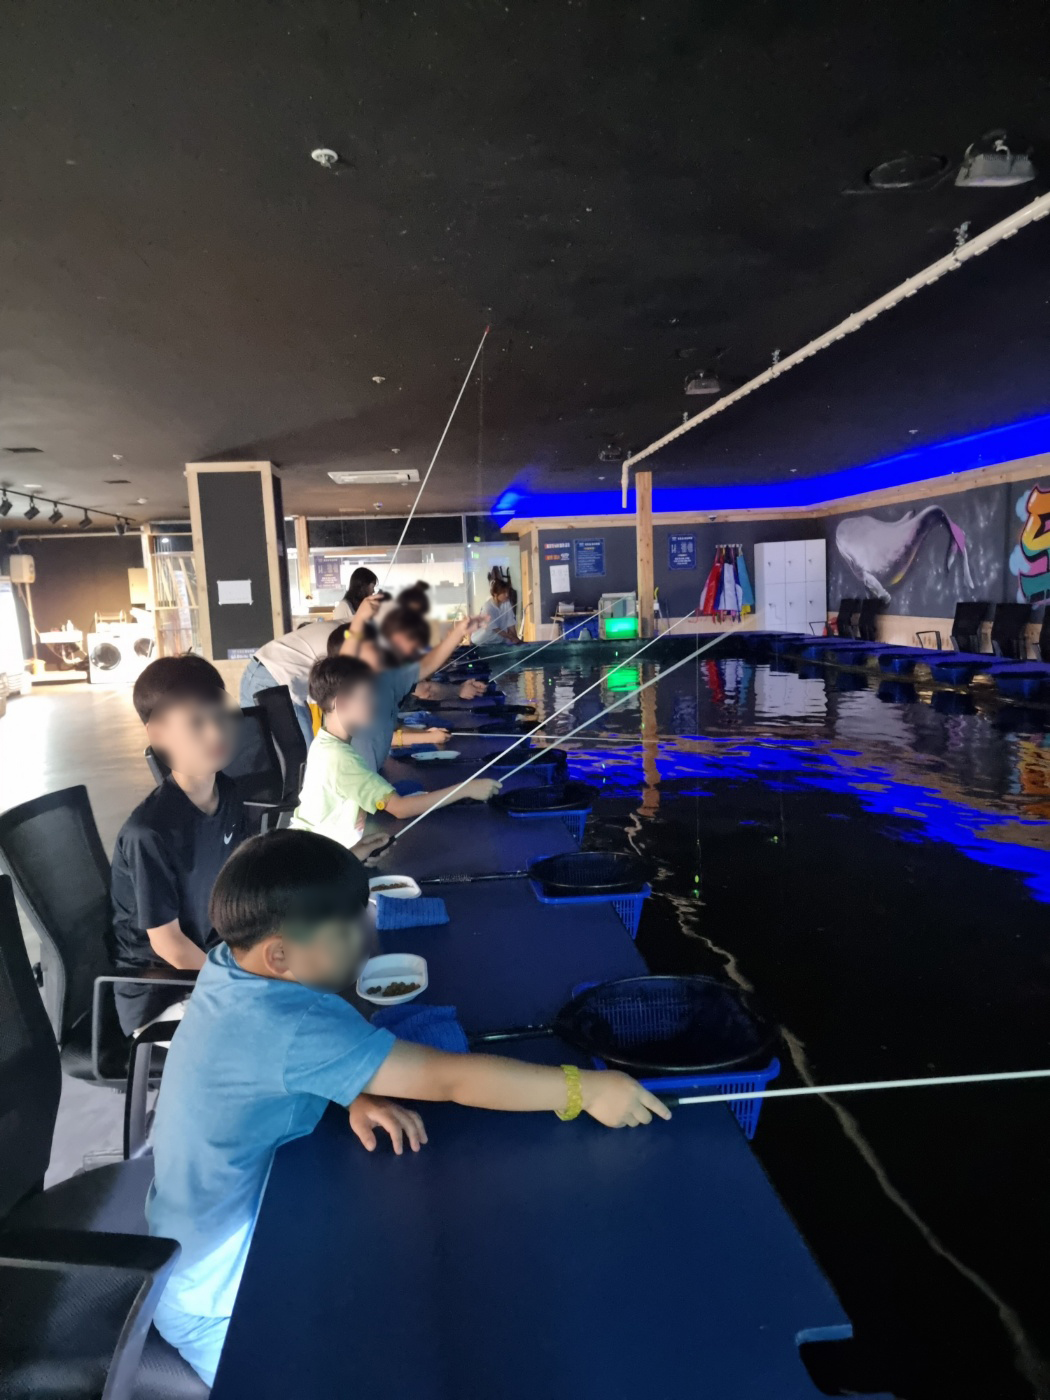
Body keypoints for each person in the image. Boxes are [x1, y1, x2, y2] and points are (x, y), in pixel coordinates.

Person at [147, 830, 671, 1384]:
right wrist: (585, 1090)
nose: (366, 939)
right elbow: (448, 1079)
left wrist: (351, 1085)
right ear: (279, 954)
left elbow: (264, 1063)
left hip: (185, 1236)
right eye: (348, 931)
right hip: (218, 1296)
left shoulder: (230, 965)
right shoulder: (294, 1023)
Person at [109, 656, 250, 1034]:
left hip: (213, 962)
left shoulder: (228, 794)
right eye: (195, 722)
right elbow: (169, 944)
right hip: (162, 996)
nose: (215, 732)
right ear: (158, 734)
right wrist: (243, 987)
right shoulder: (149, 833)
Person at [290, 656, 498, 846]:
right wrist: (466, 789)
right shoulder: (340, 757)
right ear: (342, 704)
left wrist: (359, 846)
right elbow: (401, 808)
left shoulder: (326, 743)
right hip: (317, 856)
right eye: (367, 697)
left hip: (315, 847)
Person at [341, 596, 487, 772]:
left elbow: (426, 667)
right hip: (357, 781)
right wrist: (359, 619)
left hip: (373, 773)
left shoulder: (389, 680)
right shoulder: (352, 689)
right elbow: (344, 666)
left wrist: (458, 633)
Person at [239, 618, 341, 745]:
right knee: (301, 754)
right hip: (273, 679)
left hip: (258, 673)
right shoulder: (349, 636)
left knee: (256, 750)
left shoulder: (345, 628)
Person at [471, 578, 520, 646]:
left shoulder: (506, 603)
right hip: (482, 640)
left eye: (507, 592)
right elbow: (496, 629)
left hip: (498, 639)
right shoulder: (488, 607)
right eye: (504, 593)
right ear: (495, 594)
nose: (507, 595)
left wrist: (516, 638)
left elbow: (510, 622)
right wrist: (511, 637)